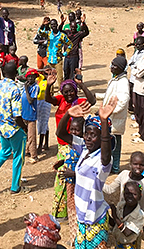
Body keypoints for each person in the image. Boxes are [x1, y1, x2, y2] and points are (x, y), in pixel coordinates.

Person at [56, 97, 117, 249]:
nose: (88, 137)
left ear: (103, 138)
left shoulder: (103, 161)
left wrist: (103, 121)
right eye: (87, 133)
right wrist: (68, 114)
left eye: (93, 134)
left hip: (95, 220)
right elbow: (61, 133)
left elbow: (105, 154)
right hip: (81, 218)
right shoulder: (84, 148)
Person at [45, 71, 96, 221]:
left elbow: (92, 100)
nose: (68, 94)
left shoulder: (79, 102)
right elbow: (48, 99)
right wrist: (48, 86)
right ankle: (61, 212)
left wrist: (81, 84)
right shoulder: (61, 101)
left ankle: (70, 212)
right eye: (65, 92)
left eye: (71, 91)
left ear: (75, 91)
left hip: (74, 145)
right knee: (62, 179)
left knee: (70, 179)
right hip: (62, 146)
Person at [0, 61, 28, 194]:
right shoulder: (15, 89)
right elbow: (17, 116)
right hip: (14, 129)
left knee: (3, 153)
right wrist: (25, 128)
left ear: (3, 73)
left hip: (1, 127)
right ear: (16, 74)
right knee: (18, 157)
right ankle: (15, 187)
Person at [52, 116, 83, 242]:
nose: (74, 132)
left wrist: (74, 174)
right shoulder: (72, 145)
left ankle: (77, 239)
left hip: (78, 185)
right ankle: (73, 238)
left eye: (77, 130)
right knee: (71, 212)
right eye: (72, 130)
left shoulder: (83, 146)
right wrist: (63, 162)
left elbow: (86, 167)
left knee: (77, 212)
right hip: (70, 185)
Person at [103, 55, 130, 173]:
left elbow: (123, 100)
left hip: (115, 118)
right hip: (111, 117)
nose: (111, 67)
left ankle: (114, 167)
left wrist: (110, 111)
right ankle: (111, 166)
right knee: (111, 143)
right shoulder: (116, 79)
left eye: (114, 65)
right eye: (111, 64)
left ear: (120, 68)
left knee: (115, 144)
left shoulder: (123, 82)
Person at [109, 181, 144, 249]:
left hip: (130, 246)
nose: (130, 196)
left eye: (134, 194)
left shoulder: (140, 215)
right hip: (118, 244)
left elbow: (127, 232)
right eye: (127, 193)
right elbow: (115, 224)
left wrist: (115, 216)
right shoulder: (121, 206)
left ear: (140, 196)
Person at [21, 69, 41, 163]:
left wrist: (26, 89)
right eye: (28, 77)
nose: (30, 79)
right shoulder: (27, 86)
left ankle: (34, 155)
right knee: (25, 134)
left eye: (32, 77)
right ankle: (27, 151)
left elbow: (30, 100)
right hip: (24, 113)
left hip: (31, 114)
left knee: (32, 136)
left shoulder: (35, 87)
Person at [46, 18, 72, 90]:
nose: (53, 26)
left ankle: (62, 93)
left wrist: (64, 54)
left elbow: (70, 44)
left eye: (54, 24)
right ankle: (50, 94)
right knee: (49, 77)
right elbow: (40, 33)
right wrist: (43, 25)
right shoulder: (48, 34)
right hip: (49, 59)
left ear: (57, 25)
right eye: (51, 25)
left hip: (58, 60)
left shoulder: (62, 35)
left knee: (60, 78)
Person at [63, 17, 89, 81]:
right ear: (70, 27)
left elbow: (86, 32)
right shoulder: (67, 33)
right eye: (72, 27)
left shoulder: (78, 34)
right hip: (67, 56)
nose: (73, 28)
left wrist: (83, 23)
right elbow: (59, 30)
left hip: (74, 56)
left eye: (74, 27)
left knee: (73, 72)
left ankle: (72, 86)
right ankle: (66, 84)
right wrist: (62, 22)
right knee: (66, 71)